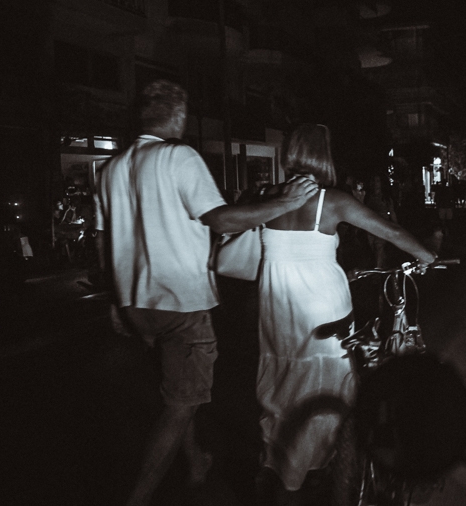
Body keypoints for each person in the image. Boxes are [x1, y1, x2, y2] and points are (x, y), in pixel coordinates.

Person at [93, 79, 318, 506]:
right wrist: (284, 203)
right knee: (181, 404)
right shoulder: (178, 156)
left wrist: (114, 303)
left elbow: (103, 242)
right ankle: (136, 498)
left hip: (136, 303)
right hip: (181, 302)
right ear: (179, 115)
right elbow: (221, 220)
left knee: (178, 391)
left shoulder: (111, 168)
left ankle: (195, 459)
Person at [254, 123, 436, 503]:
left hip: (277, 310)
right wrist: (425, 255)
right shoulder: (331, 201)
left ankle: (285, 464)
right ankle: (328, 462)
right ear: (325, 156)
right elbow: (388, 230)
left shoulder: (269, 196)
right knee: (331, 385)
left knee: (284, 389)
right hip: (322, 308)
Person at [364, 175, 398, 268]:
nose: (375, 183)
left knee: (379, 247)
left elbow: (392, 212)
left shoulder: (385, 198)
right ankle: (381, 266)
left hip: (382, 225)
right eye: (374, 181)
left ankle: (378, 270)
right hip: (370, 226)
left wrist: (396, 226)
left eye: (377, 181)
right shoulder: (368, 196)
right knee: (374, 248)